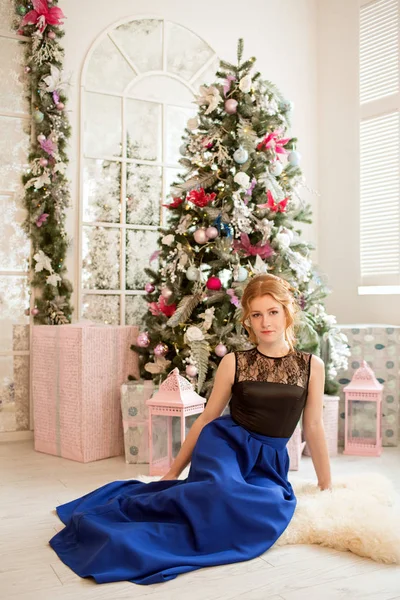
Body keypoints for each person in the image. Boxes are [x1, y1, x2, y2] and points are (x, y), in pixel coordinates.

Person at [49, 273, 331, 586]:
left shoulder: (310, 365)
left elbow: (314, 426)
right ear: (248, 320)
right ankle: (125, 524)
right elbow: (207, 418)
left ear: (287, 311)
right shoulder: (235, 362)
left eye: (273, 312)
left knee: (264, 508)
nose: (265, 322)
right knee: (220, 492)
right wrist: (173, 471)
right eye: (256, 314)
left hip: (268, 461)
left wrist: (325, 484)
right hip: (226, 444)